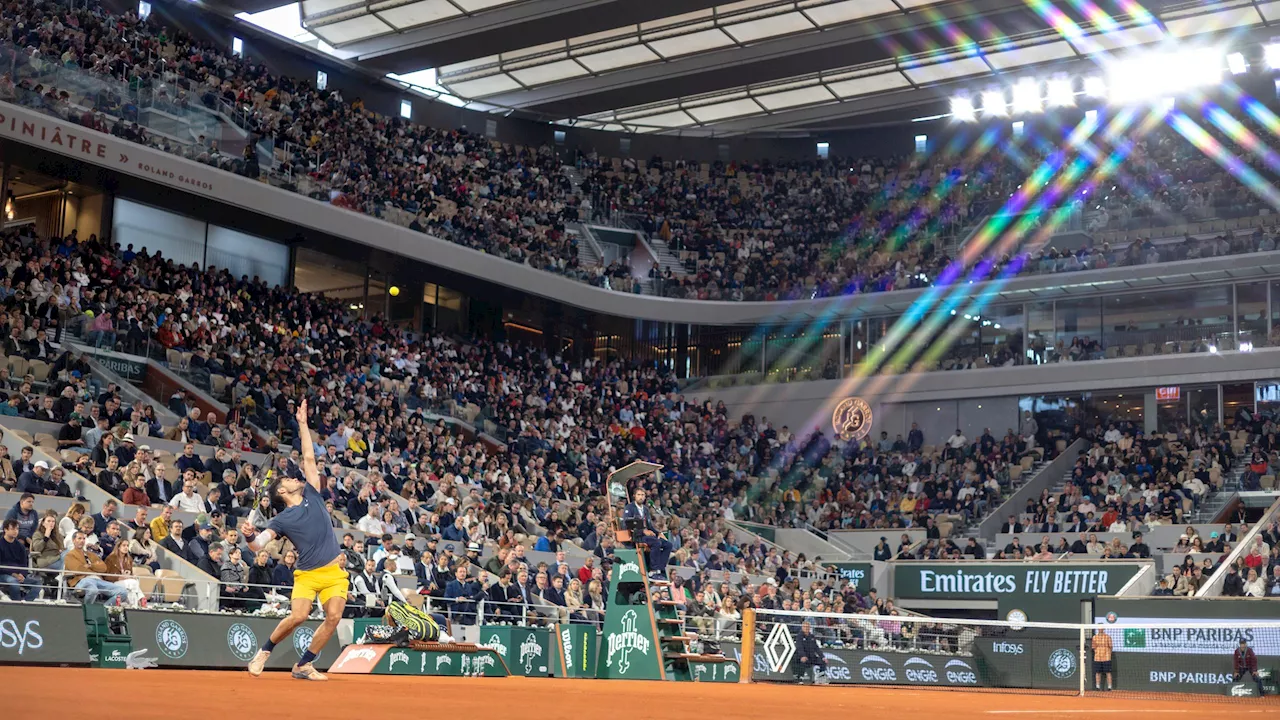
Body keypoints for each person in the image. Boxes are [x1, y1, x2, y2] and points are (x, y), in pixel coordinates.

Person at [246, 400, 346, 681]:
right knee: (298, 616)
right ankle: (264, 652)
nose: (294, 477)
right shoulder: (281, 520)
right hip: (307, 575)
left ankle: (304, 664)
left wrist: (303, 425)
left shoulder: (313, 493)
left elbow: (309, 457)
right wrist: (250, 536)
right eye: (288, 479)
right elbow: (257, 545)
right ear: (282, 491)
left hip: (334, 573)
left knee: (334, 617)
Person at [64, 531, 130, 604]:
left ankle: (104, 609)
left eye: (83, 539)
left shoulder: (91, 554)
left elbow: (103, 568)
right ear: (73, 540)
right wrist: (95, 569)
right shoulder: (69, 555)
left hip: (98, 580)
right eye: (79, 538)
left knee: (123, 592)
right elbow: (78, 569)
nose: (82, 541)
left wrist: (90, 566)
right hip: (83, 580)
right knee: (93, 590)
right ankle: (87, 610)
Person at [621, 487, 672, 579]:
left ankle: (660, 568)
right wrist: (643, 531)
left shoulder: (645, 509)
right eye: (639, 495)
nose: (641, 497)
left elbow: (650, 526)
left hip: (647, 536)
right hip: (637, 536)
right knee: (656, 542)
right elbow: (627, 524)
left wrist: (658, 533)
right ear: (634, 496)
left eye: (643, 495)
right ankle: (653, 570)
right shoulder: (629, 508)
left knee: (668, 545)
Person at [0, 519, 39, 600]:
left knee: (37, 583)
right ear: (5, 530)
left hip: (18, 574)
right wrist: (13, 574)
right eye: (12, 529)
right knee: (14, 582)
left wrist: (22, 574)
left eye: (17, 529)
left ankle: (25, 603)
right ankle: (16, 604)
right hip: (3, 574)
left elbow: (24, 564)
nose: (15, 531)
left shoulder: (20, 546)